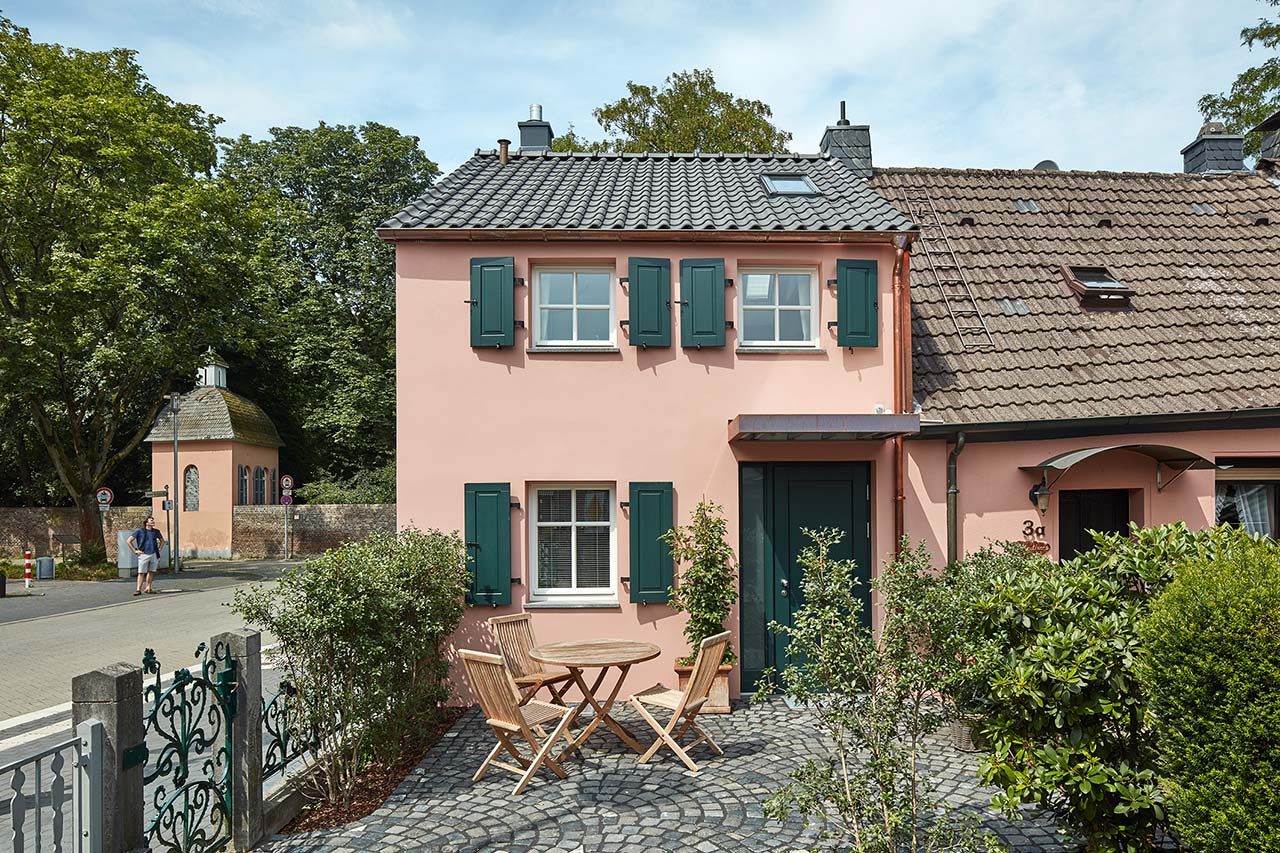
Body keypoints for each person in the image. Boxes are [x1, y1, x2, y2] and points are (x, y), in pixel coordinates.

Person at [128, 516, 164, 596]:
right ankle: (138, 589)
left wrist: (159, 549)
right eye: (151, 521)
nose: (153, 522)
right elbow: (129, 541)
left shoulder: (156, 531)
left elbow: (162, 540)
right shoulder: (140, 531)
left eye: (153, 520)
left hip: (154, 554)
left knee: (151, 571)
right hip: (143, 554)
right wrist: (135, 550)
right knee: (141, 572)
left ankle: (148, 587)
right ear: (146, 523)